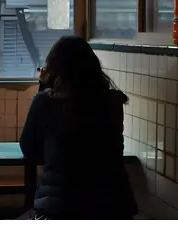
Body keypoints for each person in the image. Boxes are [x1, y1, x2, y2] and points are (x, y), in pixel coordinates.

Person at [19, 35, 138, 220]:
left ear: (54, 68)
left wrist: (43, 85)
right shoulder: (112, 101)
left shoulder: (46, 101)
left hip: (61, 209)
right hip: (114, 207)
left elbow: (30, 150)